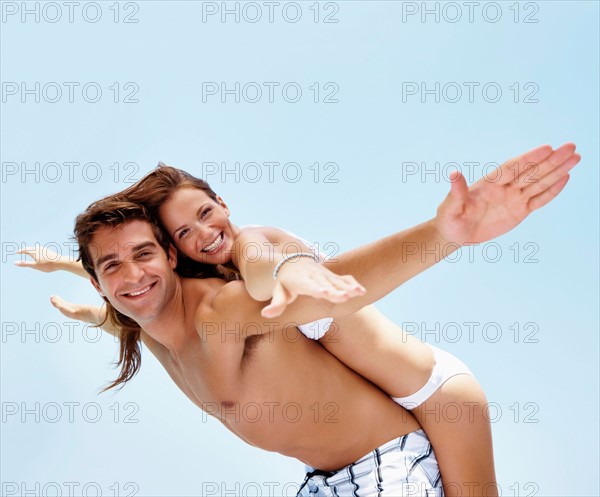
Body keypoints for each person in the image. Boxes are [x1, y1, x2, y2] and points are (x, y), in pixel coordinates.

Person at [18, 142, 580, 496]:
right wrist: (78, 286)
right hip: (334, 477)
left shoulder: (229, 300)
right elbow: (122, 306)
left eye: (144, 255)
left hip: (402, 440)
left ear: (170, 258)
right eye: (111, 268)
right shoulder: (155, 323)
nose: (133, 276)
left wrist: (443, 235)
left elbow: (308, 282)